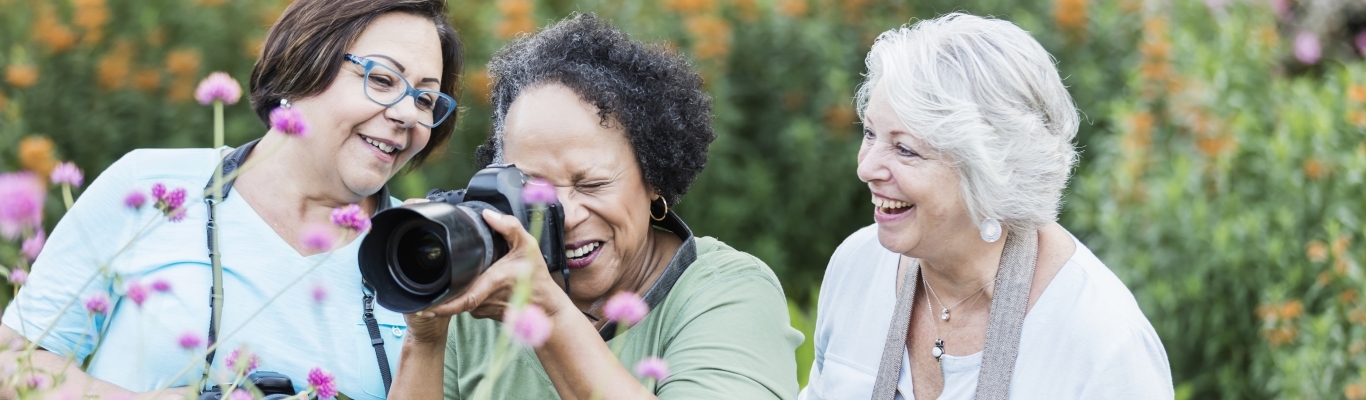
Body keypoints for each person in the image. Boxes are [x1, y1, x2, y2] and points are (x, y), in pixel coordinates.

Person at [0, 0, 463, 398]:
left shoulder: (421, 256)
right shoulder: (151, 187)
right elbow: (14, 361)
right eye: (382, 80)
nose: (407, 114)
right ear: (304, 64)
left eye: (426, 100)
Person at [387, 13, 803, 400]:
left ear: (655, 178)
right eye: (534, 187)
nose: (565, 214)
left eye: (592, 183)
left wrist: (544, 310)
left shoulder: (726, 290)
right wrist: (425, 337)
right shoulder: (486, 287)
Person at [799, 13, 1173, 399]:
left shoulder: (1101, 344)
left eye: (904, 149)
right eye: (870, 133)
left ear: (992, 173)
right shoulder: (857, 266)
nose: (866, 167)